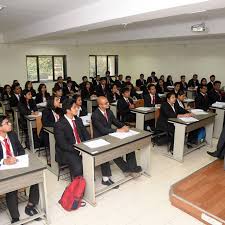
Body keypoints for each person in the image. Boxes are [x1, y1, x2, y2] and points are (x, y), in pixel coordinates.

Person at [92, 97, 142, 184]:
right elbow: (103, 130)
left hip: (111, 135)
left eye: (108, 102)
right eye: (105, 103)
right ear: (100, 105)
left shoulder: (109, 111)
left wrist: (123, 126)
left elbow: (115, 122)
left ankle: (132, 168)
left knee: (129, 145)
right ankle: (124, 170)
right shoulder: (95, 115)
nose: (108, 104)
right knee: (111, 152)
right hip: (101, 138)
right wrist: (118, 130)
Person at [0, 115, 40, 223]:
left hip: (16, 164)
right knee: (12, 187)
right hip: (3, 169)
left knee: (35, 177)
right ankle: (15, 217)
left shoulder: (12, 134)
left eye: (9, 122)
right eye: (7, 123)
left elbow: (21, 150)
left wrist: (18, 160)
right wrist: (4, 161)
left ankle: (30, 206)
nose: (10, 124)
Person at [54, 99, 90, 178]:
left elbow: (86, 135)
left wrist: (87, 146)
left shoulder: (78, 120)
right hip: (68, 151)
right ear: (68, 110)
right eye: (74, 107)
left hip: (81, 147)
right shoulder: (59, 124)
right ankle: (79, 185)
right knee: (79, 169)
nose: (77, 109)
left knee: (93, 161)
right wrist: (78, 149)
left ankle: (89, 181)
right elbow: (62, 145)